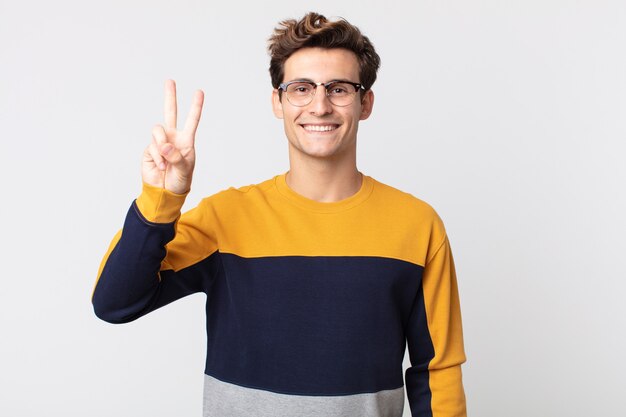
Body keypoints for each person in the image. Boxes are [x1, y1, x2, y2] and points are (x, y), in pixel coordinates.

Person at [92, 12, 467, 417]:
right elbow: (115, 302)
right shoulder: (225, 218)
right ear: (278, 101)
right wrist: (161, 199)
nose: (319, 106)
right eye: (301, 88)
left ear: (366, 102)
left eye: (339, 89)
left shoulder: (417, 224)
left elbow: (437, 373)